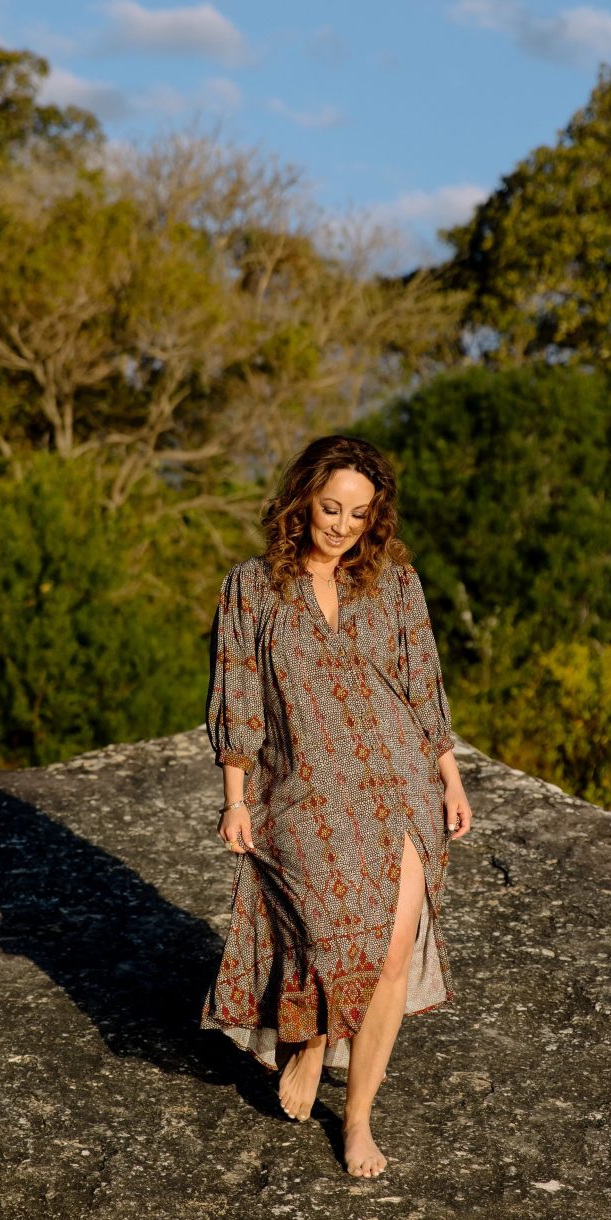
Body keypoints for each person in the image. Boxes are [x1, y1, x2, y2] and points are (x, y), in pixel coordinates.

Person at [201, 434, 472, 1178]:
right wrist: (235, 798)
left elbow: (422, 682)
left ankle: (358, 1119)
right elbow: (237, 691)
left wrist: (449, 776)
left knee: (392, 947)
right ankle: (315, 1036)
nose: (343, 526)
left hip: (399, 779)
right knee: (323, 932)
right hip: (305, 784)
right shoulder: (251, 587)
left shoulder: (395, 583)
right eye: (330, 508)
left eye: (359, 514)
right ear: (302, 500)